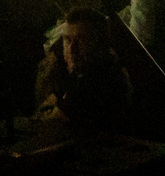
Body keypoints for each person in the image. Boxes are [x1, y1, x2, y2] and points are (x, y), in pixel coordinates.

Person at [33, 8, 133, 136]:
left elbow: (46, 124)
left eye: (82, 40)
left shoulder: (104, 79)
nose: (72, 48)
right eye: (68, 40)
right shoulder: (76, 75)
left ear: (101, 44)